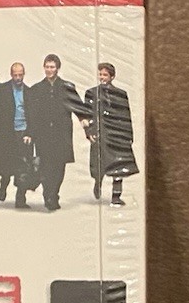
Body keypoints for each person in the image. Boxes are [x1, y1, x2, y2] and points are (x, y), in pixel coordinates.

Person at [25, 54, 92, 212]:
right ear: (44, 67)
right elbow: (31, 114)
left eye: (52, 67)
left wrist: (85, 124)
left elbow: (79, 108)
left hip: (61, 134)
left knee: (59, 167)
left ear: (58, 68)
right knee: (45, 166)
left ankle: (54, 194)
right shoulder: (37, 89)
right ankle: (48, 196)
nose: (49, 70)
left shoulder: (66, 87)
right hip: (43, 134)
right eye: (47, 67)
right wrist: (29, 133)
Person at [85, 62, 139, 206]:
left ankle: (116, 196)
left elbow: (126, 115)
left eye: (105, 75)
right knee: (99, 163)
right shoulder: (91, 93)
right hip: (100, 134)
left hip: (117, 134)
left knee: (119, 167)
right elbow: (87, 115)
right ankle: (98, 182)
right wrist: (89, 132)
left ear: (112, 77)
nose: (102, 77)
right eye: (100, 74)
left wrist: (129, 136)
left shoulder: (121, 94)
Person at [0, 62, 35, 208]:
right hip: (8, 132)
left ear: (24, 74)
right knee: (7, 163)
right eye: (15, 75)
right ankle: (3, 184)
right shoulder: (3, 90)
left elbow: (34, 115)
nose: (18, 78)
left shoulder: (29, 92)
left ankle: (20, 199)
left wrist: (30, 133)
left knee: (24, 167)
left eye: (20, 75)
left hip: (24, 132)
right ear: (11, 74)